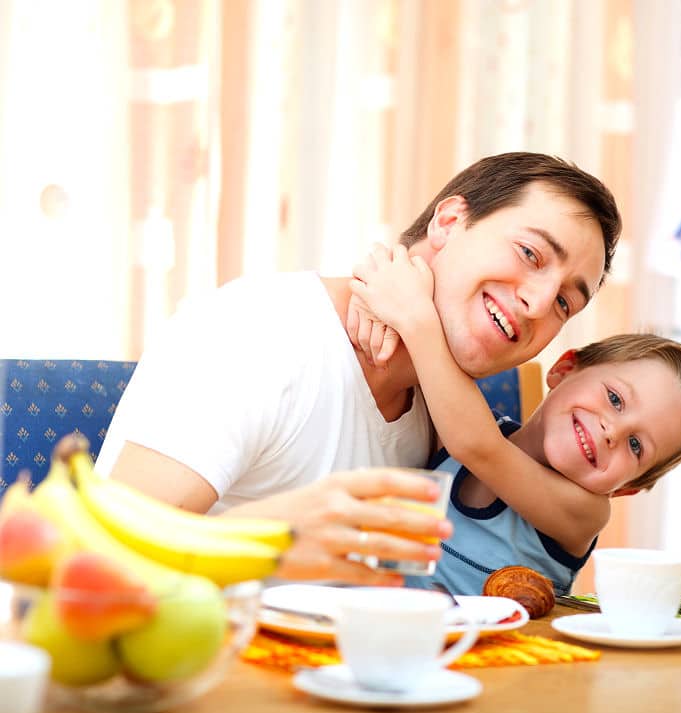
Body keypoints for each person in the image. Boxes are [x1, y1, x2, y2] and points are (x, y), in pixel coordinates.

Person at [95, 152, 622, 583]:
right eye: (530, 253)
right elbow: (103, 554)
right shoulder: (260, 330)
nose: (537, 303)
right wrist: (271, 540)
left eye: (564, 305)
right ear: (449, 221)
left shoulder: (443, 408)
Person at [350, 244, 681, 595]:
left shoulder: (585, 513)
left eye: (636, 446)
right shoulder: (453, 428)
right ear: (565, 369)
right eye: (615, 399)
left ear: (625, 488)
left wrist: (415, 317)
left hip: (504, 657)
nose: (613, 431)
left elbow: (480, 447)